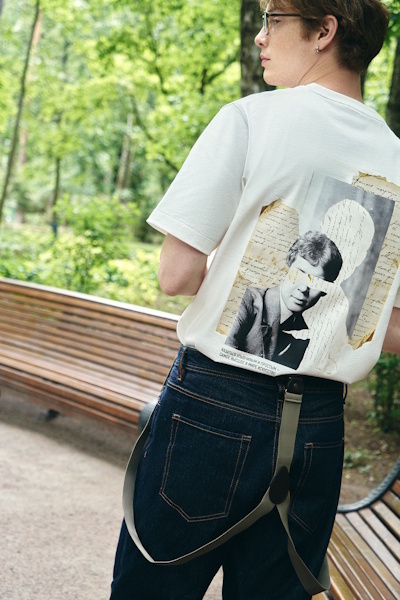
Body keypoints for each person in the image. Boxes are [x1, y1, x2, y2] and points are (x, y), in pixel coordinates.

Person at [110, 1, 400, 599]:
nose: (261, 37)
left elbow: (176, 274)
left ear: (324, 30)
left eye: (274, 18)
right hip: (319, 427)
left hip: (213, 408)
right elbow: (391, 331)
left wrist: (238, 268)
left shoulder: (250, 120)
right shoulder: (395, 157)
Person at [226, 231, 343, 368]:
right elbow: (224, 355)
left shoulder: (304, 335)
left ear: (324, 290)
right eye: (299, 274)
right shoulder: (247, 300)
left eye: (316, 282)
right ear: (285, 270)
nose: (303, 288)